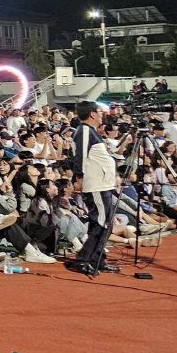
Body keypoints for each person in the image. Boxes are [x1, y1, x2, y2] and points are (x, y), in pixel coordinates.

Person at [69, 101, 119, 277]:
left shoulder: (91, 132)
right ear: (91, 114)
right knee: (101, 222)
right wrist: (79, 177)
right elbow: (80, 156)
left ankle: (97, 258)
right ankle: (84, 259)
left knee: (104, 223)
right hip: (96, 184)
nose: (102, 115)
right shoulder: (83, 130)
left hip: (103, 183)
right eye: (99, 111)